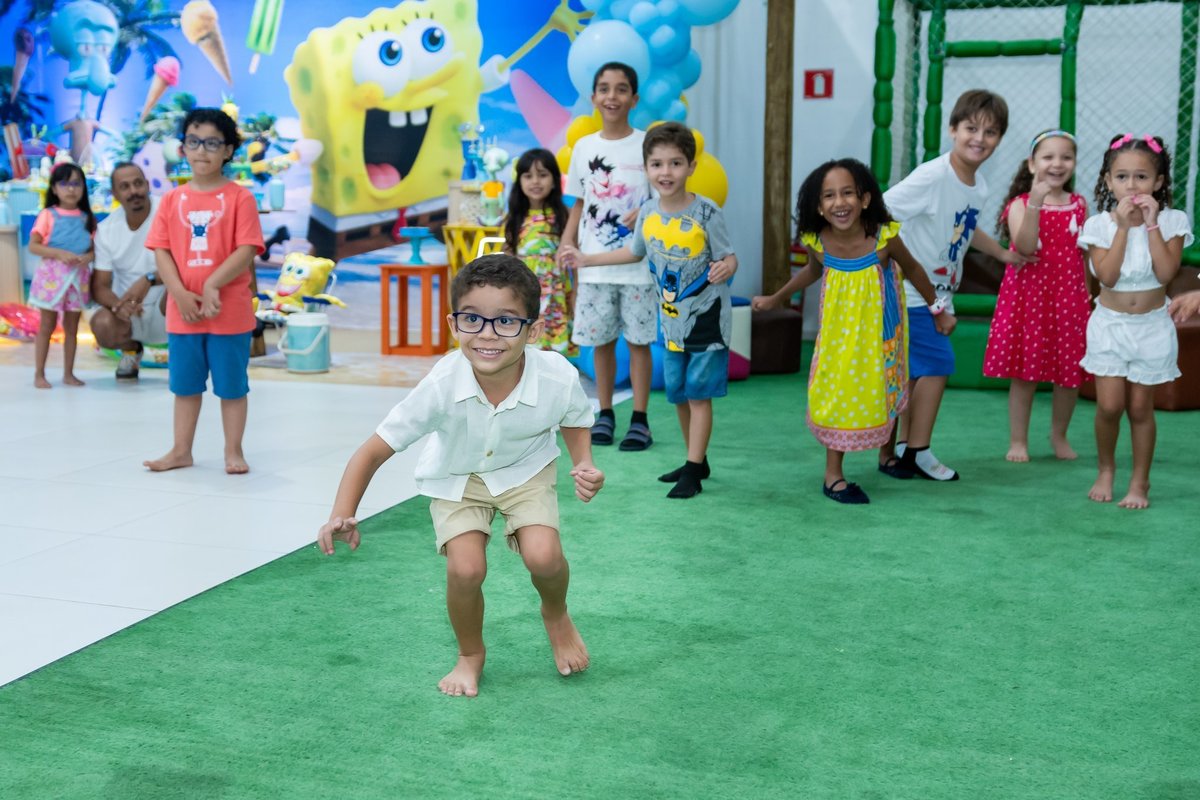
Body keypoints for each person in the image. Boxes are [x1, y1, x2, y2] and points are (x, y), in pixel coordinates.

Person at [317, 254, 604, 698]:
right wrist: (342, 511)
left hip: (526, 469)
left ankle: (556, 612)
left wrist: (582, 462)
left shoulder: (557, 376)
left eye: (506, 321)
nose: (487, 334)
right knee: (466, 569)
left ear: (532, 330)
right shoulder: (441, 383)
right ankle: (470, 654)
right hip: (457, 477)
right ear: (454, 323)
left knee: (544, 557)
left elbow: (575, 418)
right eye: (473, 319)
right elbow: (373, 450)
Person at [753, 159, 952, 504]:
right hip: (839, 336)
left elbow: (913, 269)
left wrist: (938, 310)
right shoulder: (818, 242)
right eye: (829, 196)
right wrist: (776, 298)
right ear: (818, 206)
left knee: (889, 384)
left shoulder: (884, 237)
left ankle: (887, 455)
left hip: (882, 330)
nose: (839, 202)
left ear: (864, 199)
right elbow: (812, 271)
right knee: (837, 392)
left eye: (848, 193)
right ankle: (833, 476)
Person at [563, 122, 737, 498]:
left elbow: (729, 256)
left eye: (675, 163)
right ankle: (696, 459)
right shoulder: (648, 212)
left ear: (691, 166)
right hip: (672, 324)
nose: (666, 172)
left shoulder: (707, 213)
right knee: (678, 394)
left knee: (698, 395)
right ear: (646, 169)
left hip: (706, 322)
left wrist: (727, 267)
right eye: (657, 164)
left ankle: (693, 470)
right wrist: (587, 259)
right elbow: (633, 252)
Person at [883, 89, 1029, 481]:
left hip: (940, 294)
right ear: (952, 129)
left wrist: (1001, 254)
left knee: (917, 372)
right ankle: (918, 451)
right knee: (939, 365)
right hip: (914, 292)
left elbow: (964, 227)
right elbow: (882, 211)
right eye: (971, 129)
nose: (979, 139)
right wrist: (891, 265)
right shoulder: (933, 176)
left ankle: (903, 447)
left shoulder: (977, 185)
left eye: (990, 132)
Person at [143, 108, 264, 474]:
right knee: (184, 387)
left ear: (228, 150)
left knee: (232, 387)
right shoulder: (172, 199)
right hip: (185, 313)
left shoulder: (240, 198)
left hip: (230, 314)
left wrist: (213, 283)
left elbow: (247, 249)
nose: (201, 151)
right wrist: (178, 293)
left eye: (212, 143)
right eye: (194, 142)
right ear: (183, 147)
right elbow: (161, 250)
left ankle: (233, 451)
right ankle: (181, 450)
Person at [1078, 133, 1189, 509]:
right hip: (1110, 326)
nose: (1132, 186)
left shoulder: (1173, 221)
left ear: (1158, 182)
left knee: (1141, 409)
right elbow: (1107, 277)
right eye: (1122, 177)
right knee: (1109, 406)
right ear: (1108, 182)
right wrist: (1124, 228)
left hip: (1152, 327)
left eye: (1141, 177)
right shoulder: (1099, 225)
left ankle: (1141, 482)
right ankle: (1106, 469)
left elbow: (1167, 273)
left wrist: (1152, 225)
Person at [558, 61, 656, 451]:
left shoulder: (648, 145)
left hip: (637, 267)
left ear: (635, 98)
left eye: (620, 89)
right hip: (593, 265)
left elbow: (664, 197)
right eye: (604, 89)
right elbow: (579, 204)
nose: (611, 96)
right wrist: (567, 242)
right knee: (600, 342)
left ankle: (640, 419)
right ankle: (606, 412)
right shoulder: (584, 147)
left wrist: (645, 212)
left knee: (638, 343)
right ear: (593, 97)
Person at [983, 130, 1091, 462]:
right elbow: (1027, 246)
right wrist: (1035, 204)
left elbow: (1084, 255)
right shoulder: (1019, 205)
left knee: (1069, 375)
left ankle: (1059, 435)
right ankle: (1018, 440)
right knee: (1024, 374)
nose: (1057, 164)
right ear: (1032, 164)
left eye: (1066, 157)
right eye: (1048, 157)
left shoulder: (1079, 205)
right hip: (1028, 301)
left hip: (1069, 299)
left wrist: (1087, 295)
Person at [89, 162, 166, 381]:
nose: (134, 191)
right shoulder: (106, 230)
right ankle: (131, 351)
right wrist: (119, 306)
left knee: (181, 290)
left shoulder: (168, 211)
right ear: (115, 194)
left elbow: (186, 264)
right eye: (125, 187)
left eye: (138, 183)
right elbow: (100, 286)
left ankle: (188, 357)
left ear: (147, 185)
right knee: (101, 324)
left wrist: (148, 280)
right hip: (131, 313)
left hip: (167, 306)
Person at [28, 161, 96, 389]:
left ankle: (69, 373)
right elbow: (34, 246)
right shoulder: (48, 215)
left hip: (78, 280)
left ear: (83, 187)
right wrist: (58, 254)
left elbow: (94, 249)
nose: (71, 189)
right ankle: (39, 373)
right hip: (51, 278)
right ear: (54, 188)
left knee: (72, 328)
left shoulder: (87, 218)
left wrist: (89, 256)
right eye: (65, 184)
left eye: (76, 183)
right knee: (46, 326)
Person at [503, 148, 576, 356]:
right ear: (520, 181)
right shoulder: (514, 218)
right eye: (528, 176)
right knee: (527, 344)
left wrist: (575, 292)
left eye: (542, 175)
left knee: (554, 345)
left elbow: (574, 257)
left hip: (556, 293)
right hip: (525, 291)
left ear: (554, 180)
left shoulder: (565, 215)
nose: (535, 181)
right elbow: (508, 258)